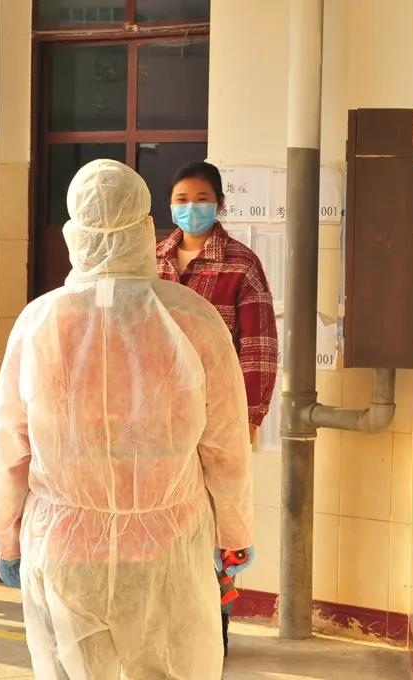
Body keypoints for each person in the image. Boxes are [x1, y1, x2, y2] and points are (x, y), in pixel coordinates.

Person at [0, 159, 254, 679]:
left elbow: (10, 443)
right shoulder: (192, 318)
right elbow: (224, 443)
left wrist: (5, 538)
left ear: (74, 232)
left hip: (64, 548)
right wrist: (235, 529)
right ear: (145, 227)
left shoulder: (40, 321)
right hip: (167, 546)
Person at [156, 161, 277, 654]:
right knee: (166, 522)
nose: (191, 208)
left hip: (216, 419)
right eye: (181, 200)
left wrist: (247, 420)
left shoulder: (241, 264)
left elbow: (259, 348)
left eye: (201, 199)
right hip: (158, 422)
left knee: (218, 524)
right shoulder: (152, 260)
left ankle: (214, 633)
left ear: (220, 204)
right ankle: (167, 631)